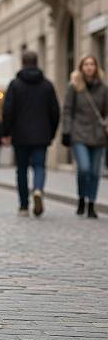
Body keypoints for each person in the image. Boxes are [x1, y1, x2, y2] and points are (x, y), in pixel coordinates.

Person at [2, 51, 60, 217]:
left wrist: (6, 132)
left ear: (22, 62)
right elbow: (55, 111)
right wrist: (52, 132)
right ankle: (38, 190)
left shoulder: (15, 85)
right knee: (39, 166)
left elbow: (8, 111)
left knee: (21, 169)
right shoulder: (47, 85)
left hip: (20, 135)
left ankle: (23, 206)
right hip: (42, 134)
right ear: (37, 62)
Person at [62, 55, 108, 219]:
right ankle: (81, 197)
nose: (89, 67)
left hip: (98, 136)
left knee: (95, 173)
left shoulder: (104, 88)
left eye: (92, 64)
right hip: (79, 133)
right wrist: (66, 131)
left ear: (96, 67)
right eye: (86, 64)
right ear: (81, 67)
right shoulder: (74, 87)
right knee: (84, 168)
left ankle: (91, 204)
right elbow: (67, 110)